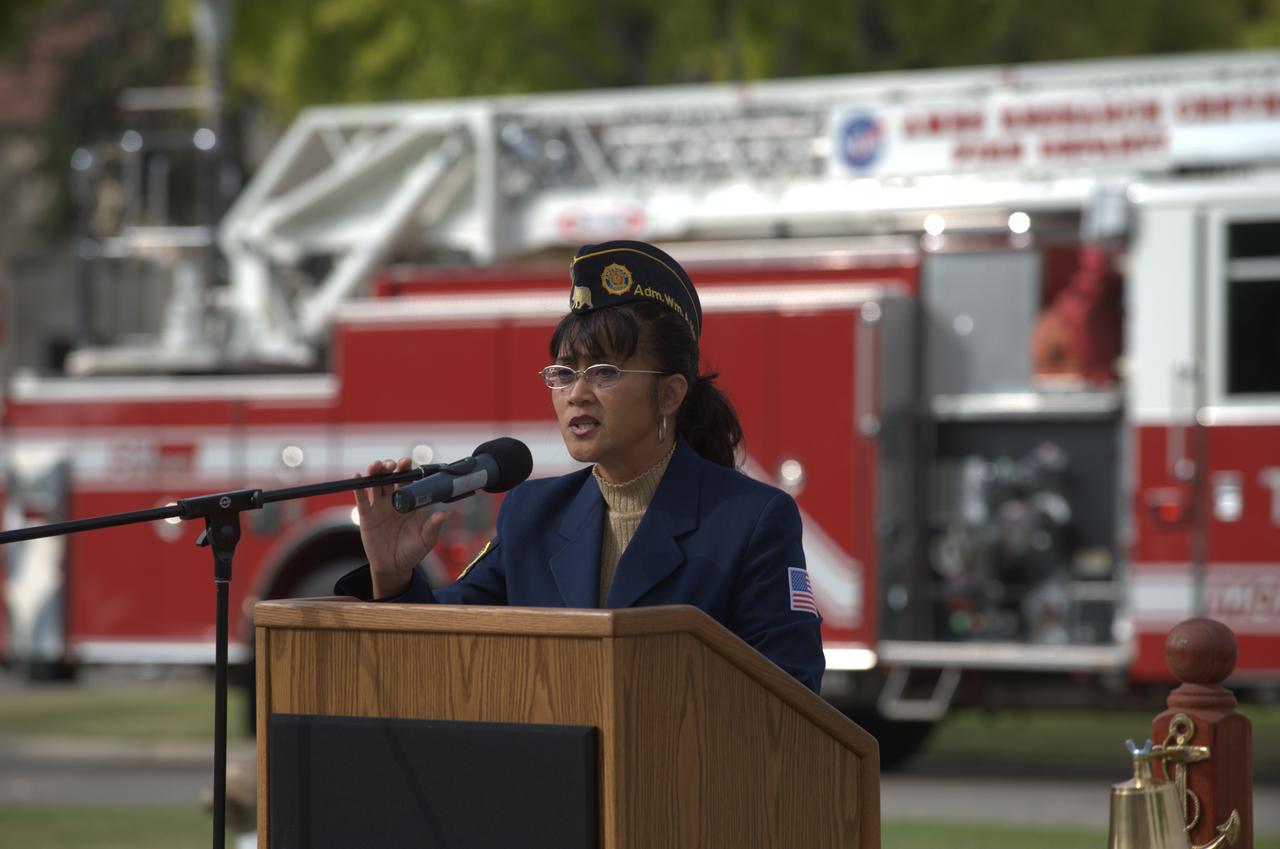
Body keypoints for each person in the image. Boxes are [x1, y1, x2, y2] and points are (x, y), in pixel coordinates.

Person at [336, 240, 825, 692]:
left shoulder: (750, 519)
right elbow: (445, 650)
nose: (577, 393)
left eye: (605, 372)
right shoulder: (533, 512)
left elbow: (790, 690)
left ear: (670, 394)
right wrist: (394, 574)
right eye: (564, 373)